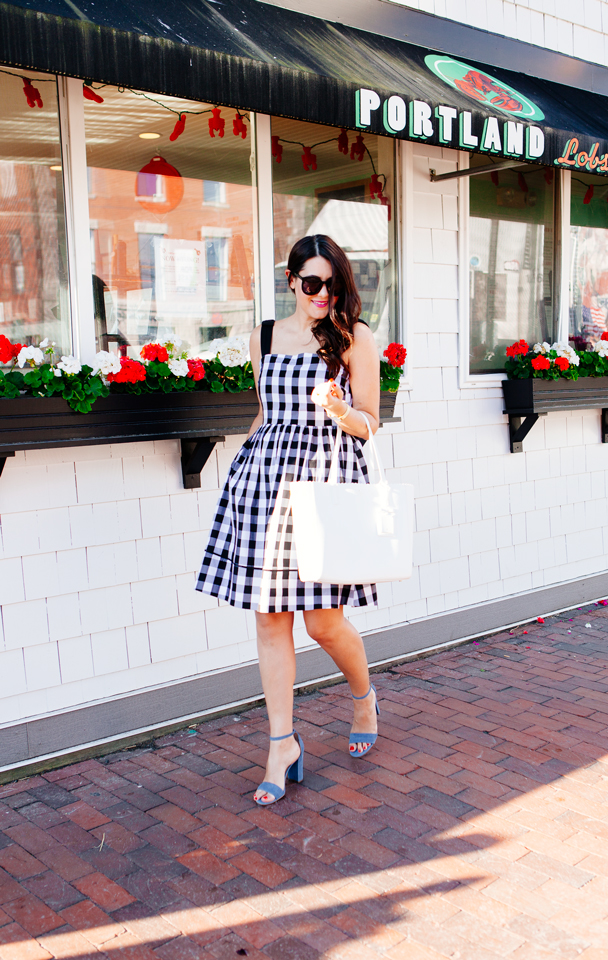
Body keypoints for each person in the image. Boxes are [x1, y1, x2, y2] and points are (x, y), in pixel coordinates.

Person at [197, 234, 381, 806]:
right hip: (264, 485)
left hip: (327, 482)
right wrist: (238, 469)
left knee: (324, 623)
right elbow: (264, 411)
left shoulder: (355, 338)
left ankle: (363, 697)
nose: (321, 293)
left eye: (331, 283)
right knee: (270, 621)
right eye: (311, 283)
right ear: (292, 280)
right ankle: (282, 744)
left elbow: (372, 422)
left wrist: (343, 411)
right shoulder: (266, 335)